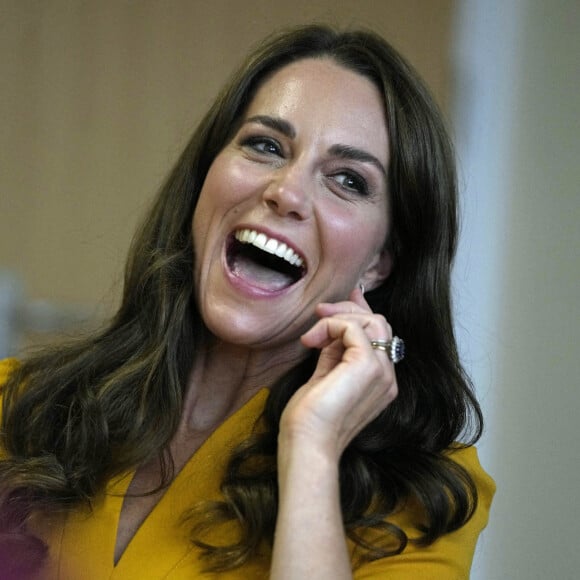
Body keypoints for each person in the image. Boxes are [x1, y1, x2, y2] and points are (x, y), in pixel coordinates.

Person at [0, 24, 494, 579]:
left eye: (348, 180)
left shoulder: (423, 496)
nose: (285, 191)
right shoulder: (18, 408)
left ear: (381, 261)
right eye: (265, 145)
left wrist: (312, 449)